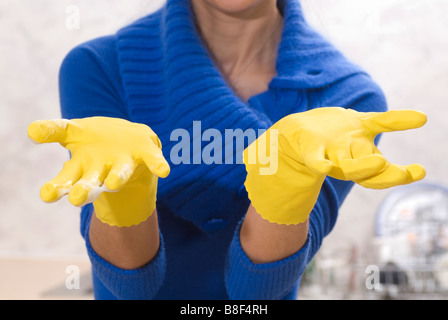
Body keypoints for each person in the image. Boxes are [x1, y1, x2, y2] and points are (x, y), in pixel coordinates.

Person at [27, 0, 427, 300]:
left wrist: (288, 187)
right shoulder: (101, 66)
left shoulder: (345, 100)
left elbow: (256, 292)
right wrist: (124, 197)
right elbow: (132, 284)